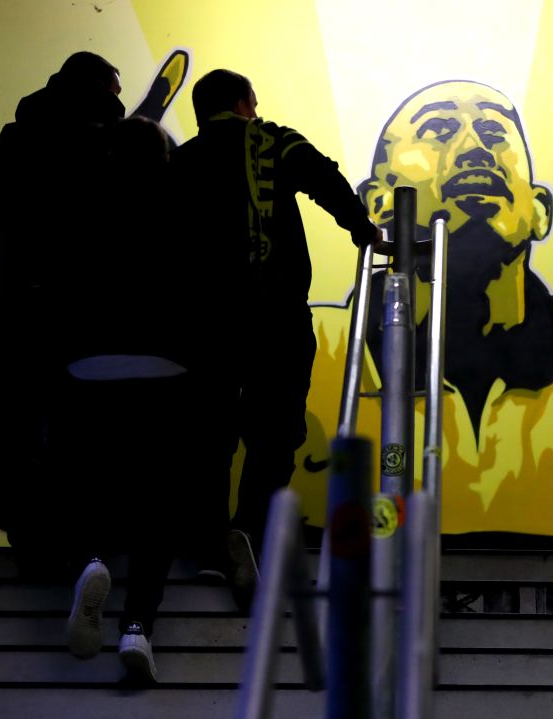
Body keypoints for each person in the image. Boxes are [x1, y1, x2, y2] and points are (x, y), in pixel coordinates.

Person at [299, 80, 553, 537]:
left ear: (541, 209)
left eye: (493, 132)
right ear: (376, 204)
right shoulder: (317, 355)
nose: (474, 149)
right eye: (440, 128)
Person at [170, 69, 379, 590]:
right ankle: (250, 534)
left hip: (204, 324)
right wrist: (362, 228)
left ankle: (210, 545)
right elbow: (324, 175)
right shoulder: (273, 141)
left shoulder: (181, 160)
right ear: (243, 105)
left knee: (207, 436)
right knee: (276, 431)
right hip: (277, 317)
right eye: (254, 104)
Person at [0, 51, 124, 565]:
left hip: (25, 298)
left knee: (7, 415)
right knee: (87, 421)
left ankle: (28, 535)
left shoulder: (19, 136)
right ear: (102, 88)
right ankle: (88, 541)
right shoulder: (112, 143)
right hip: (94, 307)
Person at [54, 116, 212, 684]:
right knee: (157, 504)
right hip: (164, 368)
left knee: (86, 481)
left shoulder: (81, 203)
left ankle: (90, 563)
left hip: (87, 364)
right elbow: (204, 289)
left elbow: (55, 286)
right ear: (165, 156)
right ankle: (138, 628)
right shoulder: (185, 206)